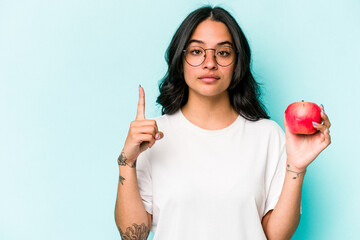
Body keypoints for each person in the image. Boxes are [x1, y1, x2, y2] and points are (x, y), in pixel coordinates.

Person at [114, 6, 331, 240]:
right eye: (197, 51)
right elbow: (133, 236)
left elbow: (275, 236)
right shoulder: (152, 136)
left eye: (223, 53)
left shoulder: (267, 135)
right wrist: (127, 161)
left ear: (238, 62)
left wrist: (297, 168)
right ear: (181, 60)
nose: (210, 63)